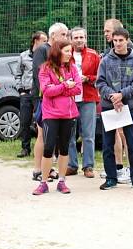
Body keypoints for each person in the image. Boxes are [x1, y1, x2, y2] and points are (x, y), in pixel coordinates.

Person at [95, 27, 133, 191]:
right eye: (115, 40)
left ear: (127, 40)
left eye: (121, 40)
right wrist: (113, 97)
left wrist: (121, 95)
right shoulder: (105, 60)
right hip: (109, 108)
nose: (118, 43)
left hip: (128, 108)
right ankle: (111, 178)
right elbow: (100, 83)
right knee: (107, 145)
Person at [33, 39, 81, 195]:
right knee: (48, 148)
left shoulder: (72, 68)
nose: (70, 54)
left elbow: (78, 89)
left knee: (64, 148)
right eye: (67, 51)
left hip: (69, 113)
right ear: (57, 51)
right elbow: (46, 91)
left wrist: (58, 88)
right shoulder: (45, 68)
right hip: (50, 114)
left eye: (70, 51)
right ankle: (43, 182)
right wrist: (66, 85)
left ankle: (62, 181)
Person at [31, 23, 68, 181]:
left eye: (67, 35)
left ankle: (49, 168)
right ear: (53, 36)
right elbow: (39, 74)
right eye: (63, 35)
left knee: (52, 136)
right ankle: (38, 170)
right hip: (43, 98)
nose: (66, 38)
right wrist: (47, 94)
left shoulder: (59, 52)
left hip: (57, 99)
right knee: (42, 134)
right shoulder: (42, 50)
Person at [66, 27, 100, 178]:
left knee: (88, 134)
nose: (79, 40)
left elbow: (100, 76)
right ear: (71, 39)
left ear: (86, 38)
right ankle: (71, 165)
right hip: (69, 99)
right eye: (76, 37)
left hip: (88, 98)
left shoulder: (93, 55)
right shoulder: (66, 54)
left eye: (82, 37)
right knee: (69, 134)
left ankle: (88, 166)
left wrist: (88, 79)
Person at [102, 18, 129, 183]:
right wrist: (111, 96)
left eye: (107, 31)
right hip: (111, 99)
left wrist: (119, 96)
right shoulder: (109, 52)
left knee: (127, 134)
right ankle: (117, 168)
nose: (105, 34)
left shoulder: (127, 51)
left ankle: (127, 169)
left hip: (126, 99)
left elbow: (126, 78)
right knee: (116, 132)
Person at [15, 31, 47, 158]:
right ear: (36, 41)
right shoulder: (23, 56)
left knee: (41, 120)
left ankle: (43, 148)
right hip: (27, 92)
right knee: (25, 120)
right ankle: (25, 148)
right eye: (44, 40)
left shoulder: (45, 55)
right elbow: (18, 74)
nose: (46, 42)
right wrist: (21, 90)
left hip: (40, 93)